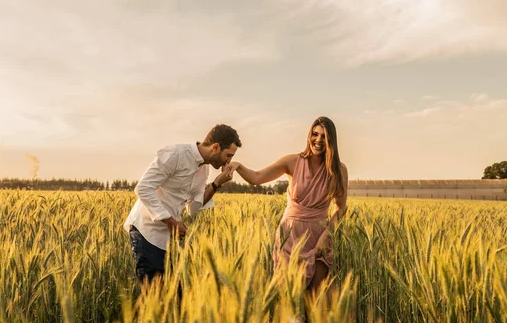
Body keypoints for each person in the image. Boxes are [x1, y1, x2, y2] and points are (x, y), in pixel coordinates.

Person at [228, 116, 348, 290]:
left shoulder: (339, 170)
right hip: (289, 236)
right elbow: (257, 177)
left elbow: (340, 207)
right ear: (309, 136)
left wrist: (326, 235)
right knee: (288, 297)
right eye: (315, 134)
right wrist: (238, 165)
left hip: (319, 237)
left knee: (315, 302)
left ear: (332, 140)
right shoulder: (292, 162)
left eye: (324, 136)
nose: (318, 140)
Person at [123, 124, 241, 282]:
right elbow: (143, 188)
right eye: (228, 155)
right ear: (216, 147)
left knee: (174, 298)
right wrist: (170, 221)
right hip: (146, 231)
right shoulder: (176, 154)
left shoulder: (204, 170)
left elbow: (192, 208)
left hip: (169, 237)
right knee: (155, 296)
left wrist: (217, 183)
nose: (229, 161)